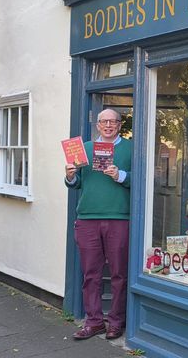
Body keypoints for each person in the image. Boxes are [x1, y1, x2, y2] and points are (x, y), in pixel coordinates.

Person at [64, 109, 132, 340]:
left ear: (120, 125)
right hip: (87, 218)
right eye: (104, 121)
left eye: (113, 121)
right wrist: (71, 175)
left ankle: (116, 321)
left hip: (119, 217)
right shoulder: (84, 148)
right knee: (90, 274)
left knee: (119, 274)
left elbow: (143, 179)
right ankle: (93, 322)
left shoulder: (131, 148)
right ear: (98, 124)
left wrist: (121, 175)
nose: (108, 125)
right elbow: (76, 183)